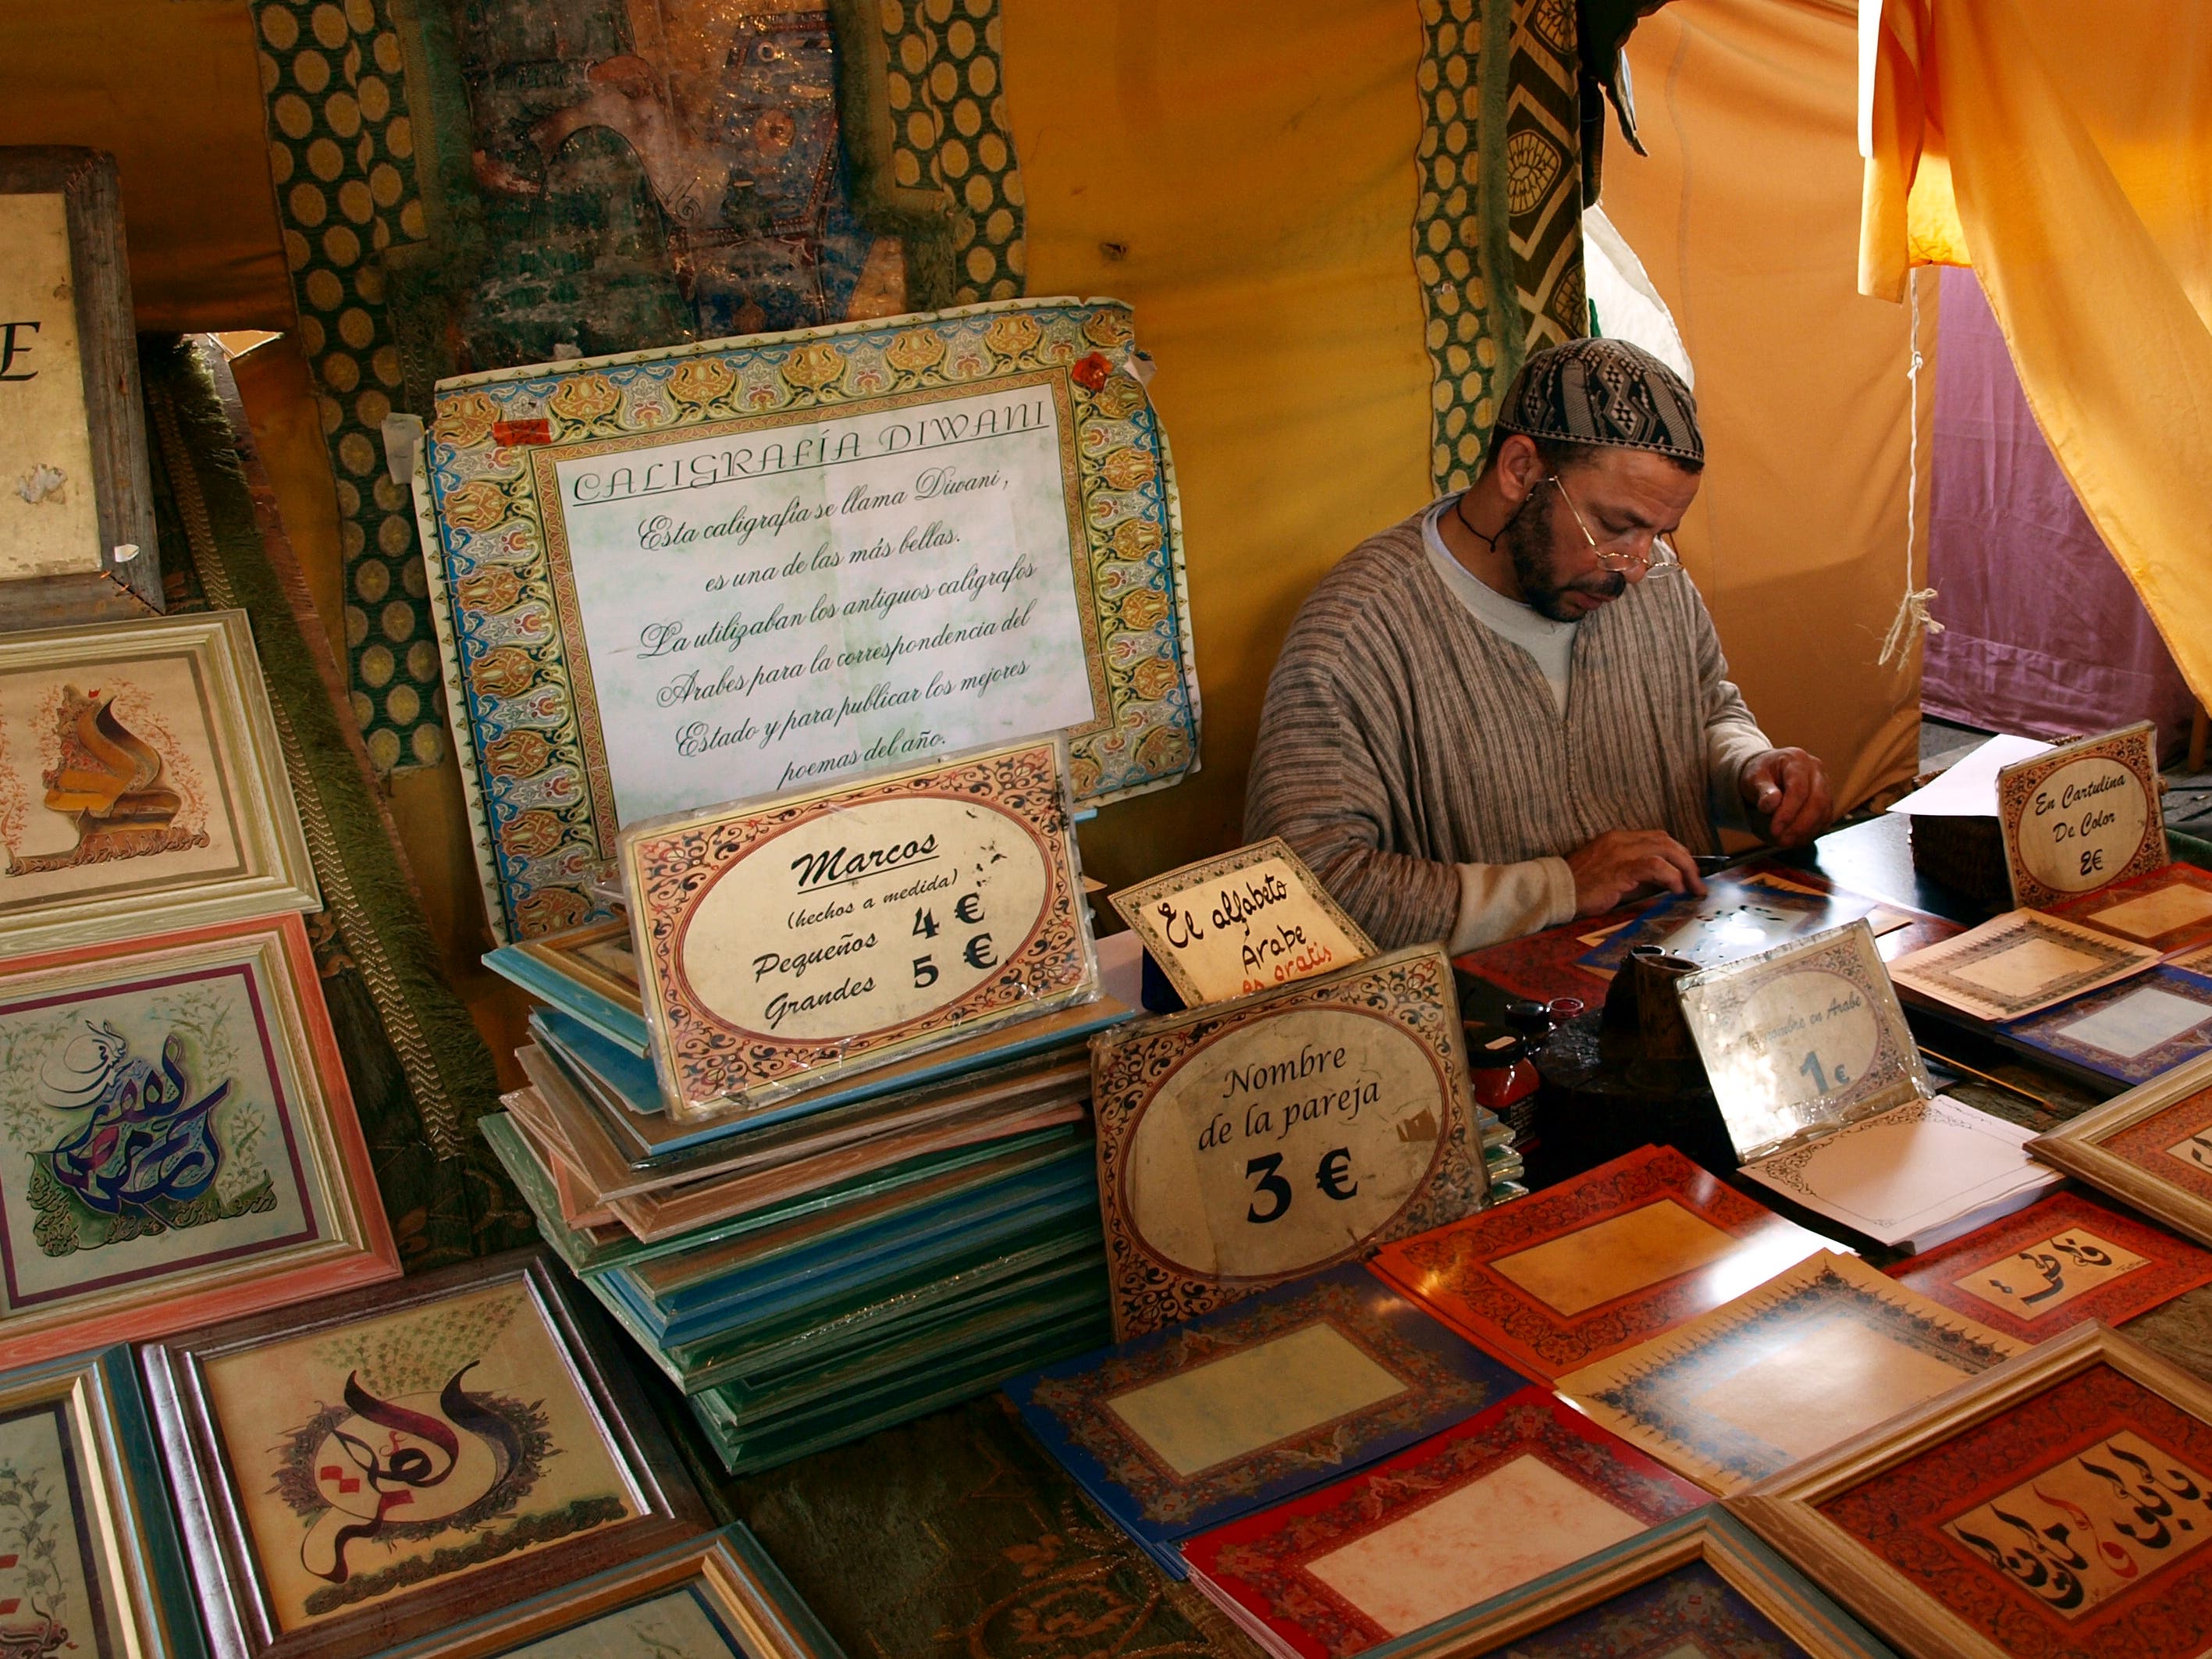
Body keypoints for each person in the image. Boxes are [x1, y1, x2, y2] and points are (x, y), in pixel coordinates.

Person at [1243, 336, 1833, 953]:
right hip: (1491, 1025)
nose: (1634, 566)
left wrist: (1750, 769)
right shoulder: (1358, 633)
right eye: (1614, 525)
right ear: (1520, 469)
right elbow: (1302, 889)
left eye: (1659, 533)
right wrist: (1557, 887)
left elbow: (1708, 709)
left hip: (1679, 976)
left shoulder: (1655, 578)